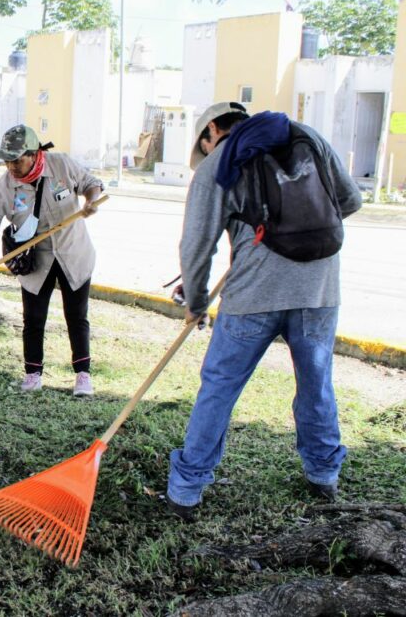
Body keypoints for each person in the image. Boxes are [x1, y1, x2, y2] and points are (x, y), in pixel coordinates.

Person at [166, 102, 362, 520]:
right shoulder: (307, 136)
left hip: (252, 296)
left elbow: (196, 247)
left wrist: (196, 304)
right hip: (320, 288)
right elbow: (350, 201)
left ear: (212, 131)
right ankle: (324, 473)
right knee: (316, 383)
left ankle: (186, 489)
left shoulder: (218, 162)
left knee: (219, 386)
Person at [0, 124, 103, 396]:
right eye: (7, 161)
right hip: (35, 260)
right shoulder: (6, 186)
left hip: (73, 253)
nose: (11, 167)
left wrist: (91, 201)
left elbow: (91, 184)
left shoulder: (61, 166)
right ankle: (32, 374)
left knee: (76, 316)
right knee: (33, 318)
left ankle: (82, 375)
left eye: (17, 160)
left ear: (34, 154)